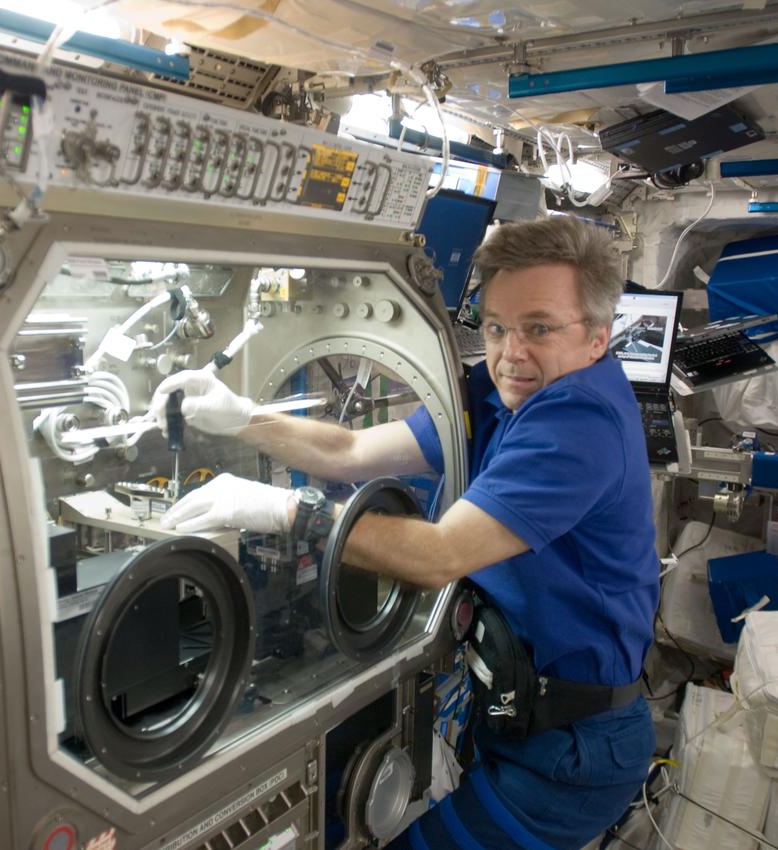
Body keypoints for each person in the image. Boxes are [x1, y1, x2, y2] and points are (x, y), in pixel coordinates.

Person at [151, 216, 659, 850]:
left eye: (539, 328)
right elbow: (353, 448)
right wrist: (242, 418)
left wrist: (286, 511)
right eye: (496, 327)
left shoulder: (577, 420)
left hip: (572, 755)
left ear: (598, 337)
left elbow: (440, 554)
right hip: (519, 714)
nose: (510, 352)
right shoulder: (503, 395)